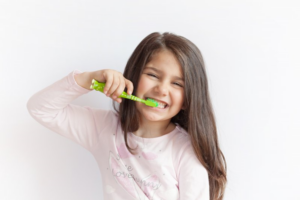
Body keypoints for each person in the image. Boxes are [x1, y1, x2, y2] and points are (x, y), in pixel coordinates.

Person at [27, 32, 227, 200]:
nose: (161, 89)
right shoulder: (103, 128)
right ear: (132, 76)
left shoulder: (187, 151)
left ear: (187, 99)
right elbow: (41, 109)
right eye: (153, 75)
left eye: (177, 84)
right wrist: (87, 79)